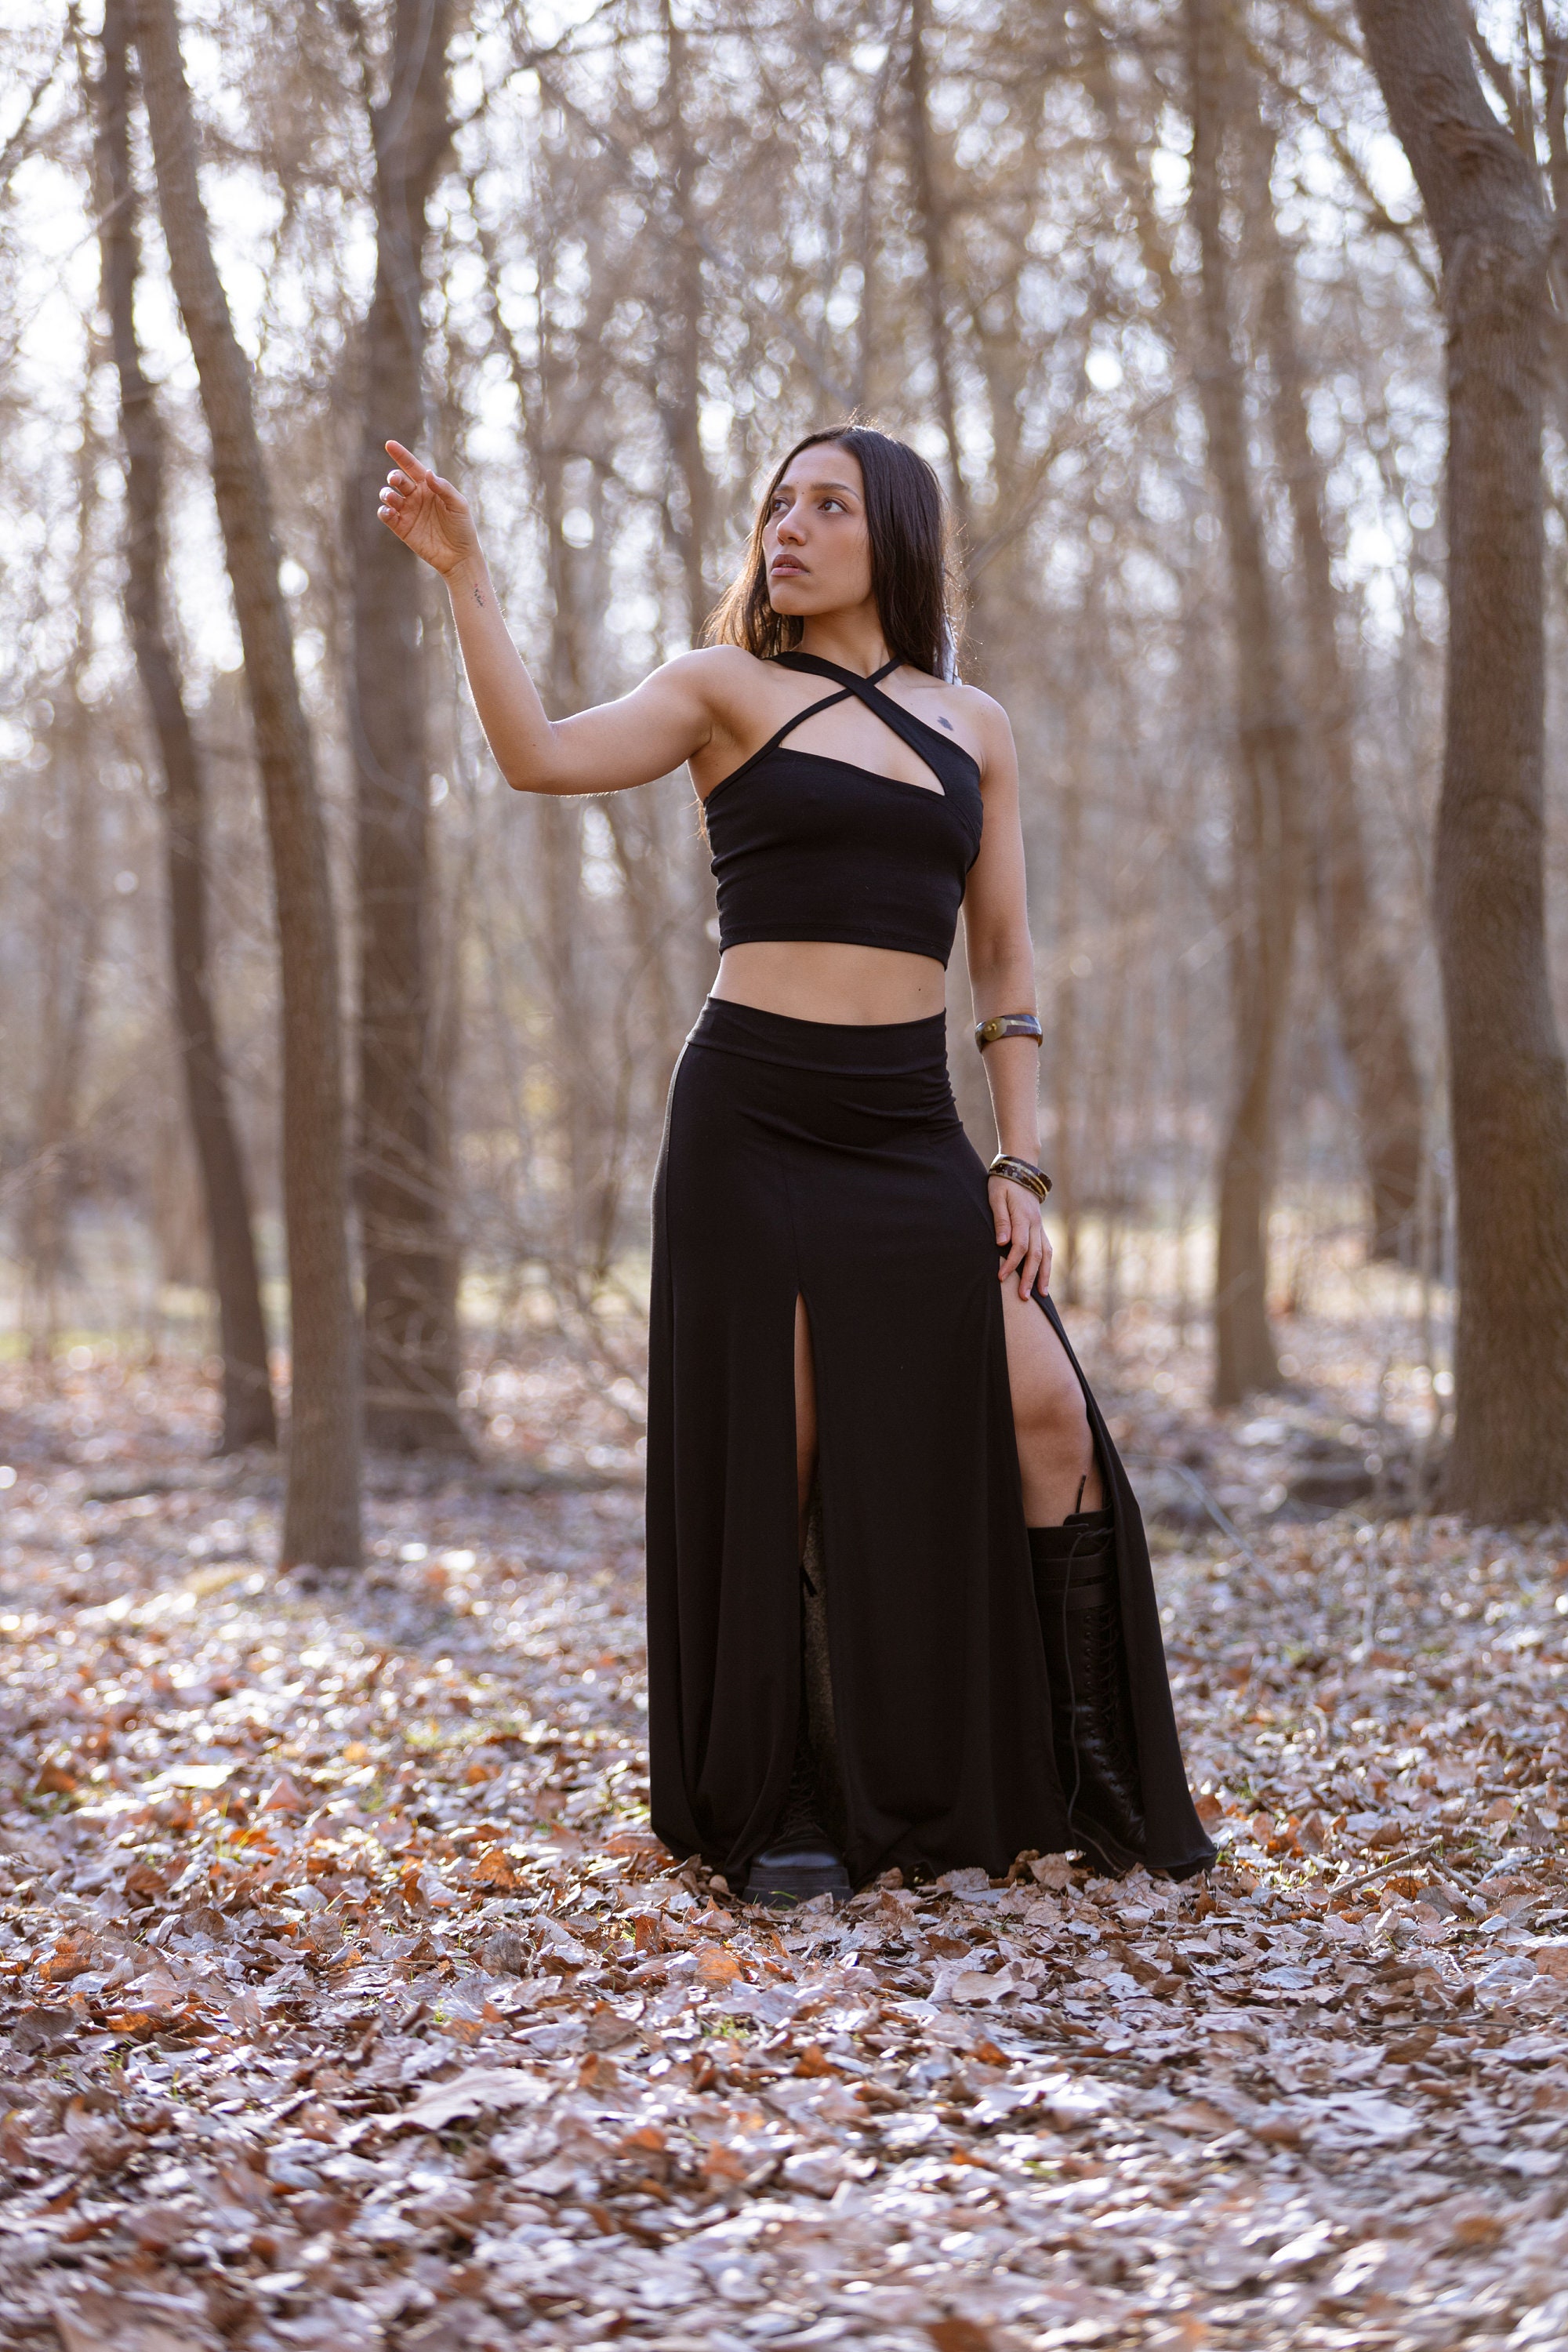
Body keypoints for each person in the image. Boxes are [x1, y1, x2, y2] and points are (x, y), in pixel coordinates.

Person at [379, 421, 1214, 1902]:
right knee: (796, 1447)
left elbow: (1006, 955)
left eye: (827, 504)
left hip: (907, 1125)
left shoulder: (976, 724)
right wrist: (469, 578)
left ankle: (1075, 1781)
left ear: (893, 534)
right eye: (777, 504)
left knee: (1047, 1415)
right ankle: (794, 1799)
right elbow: (537, 759)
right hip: (753, 1114)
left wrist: (1022, 1165)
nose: (791, 526)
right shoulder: (722, 688)